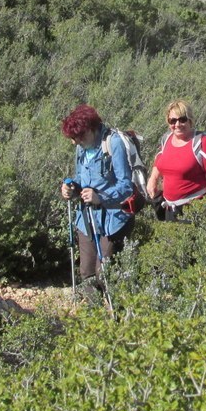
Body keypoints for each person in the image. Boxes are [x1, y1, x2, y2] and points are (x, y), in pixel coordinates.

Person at [59, 104, 134, 293]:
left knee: (105, 274)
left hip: (113, 220)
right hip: (87, 220)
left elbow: (126, 185)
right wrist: (71, 189)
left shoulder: (113, 143)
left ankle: (117, 315)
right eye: (73, 139)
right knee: (86, 274)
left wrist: (101, 197)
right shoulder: (82, 148)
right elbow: (80, 180)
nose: (76, 142)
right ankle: (95, 318)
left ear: (92, 129)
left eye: (79, 137)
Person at [146, 100, 206, 221]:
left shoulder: (202, 142)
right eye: (173, 121)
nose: (177, 124)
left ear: (190, 120)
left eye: (182, 120)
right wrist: (153, 179)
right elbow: (159, 159)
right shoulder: (166, 139)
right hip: (169, 210)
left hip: (194, 210)